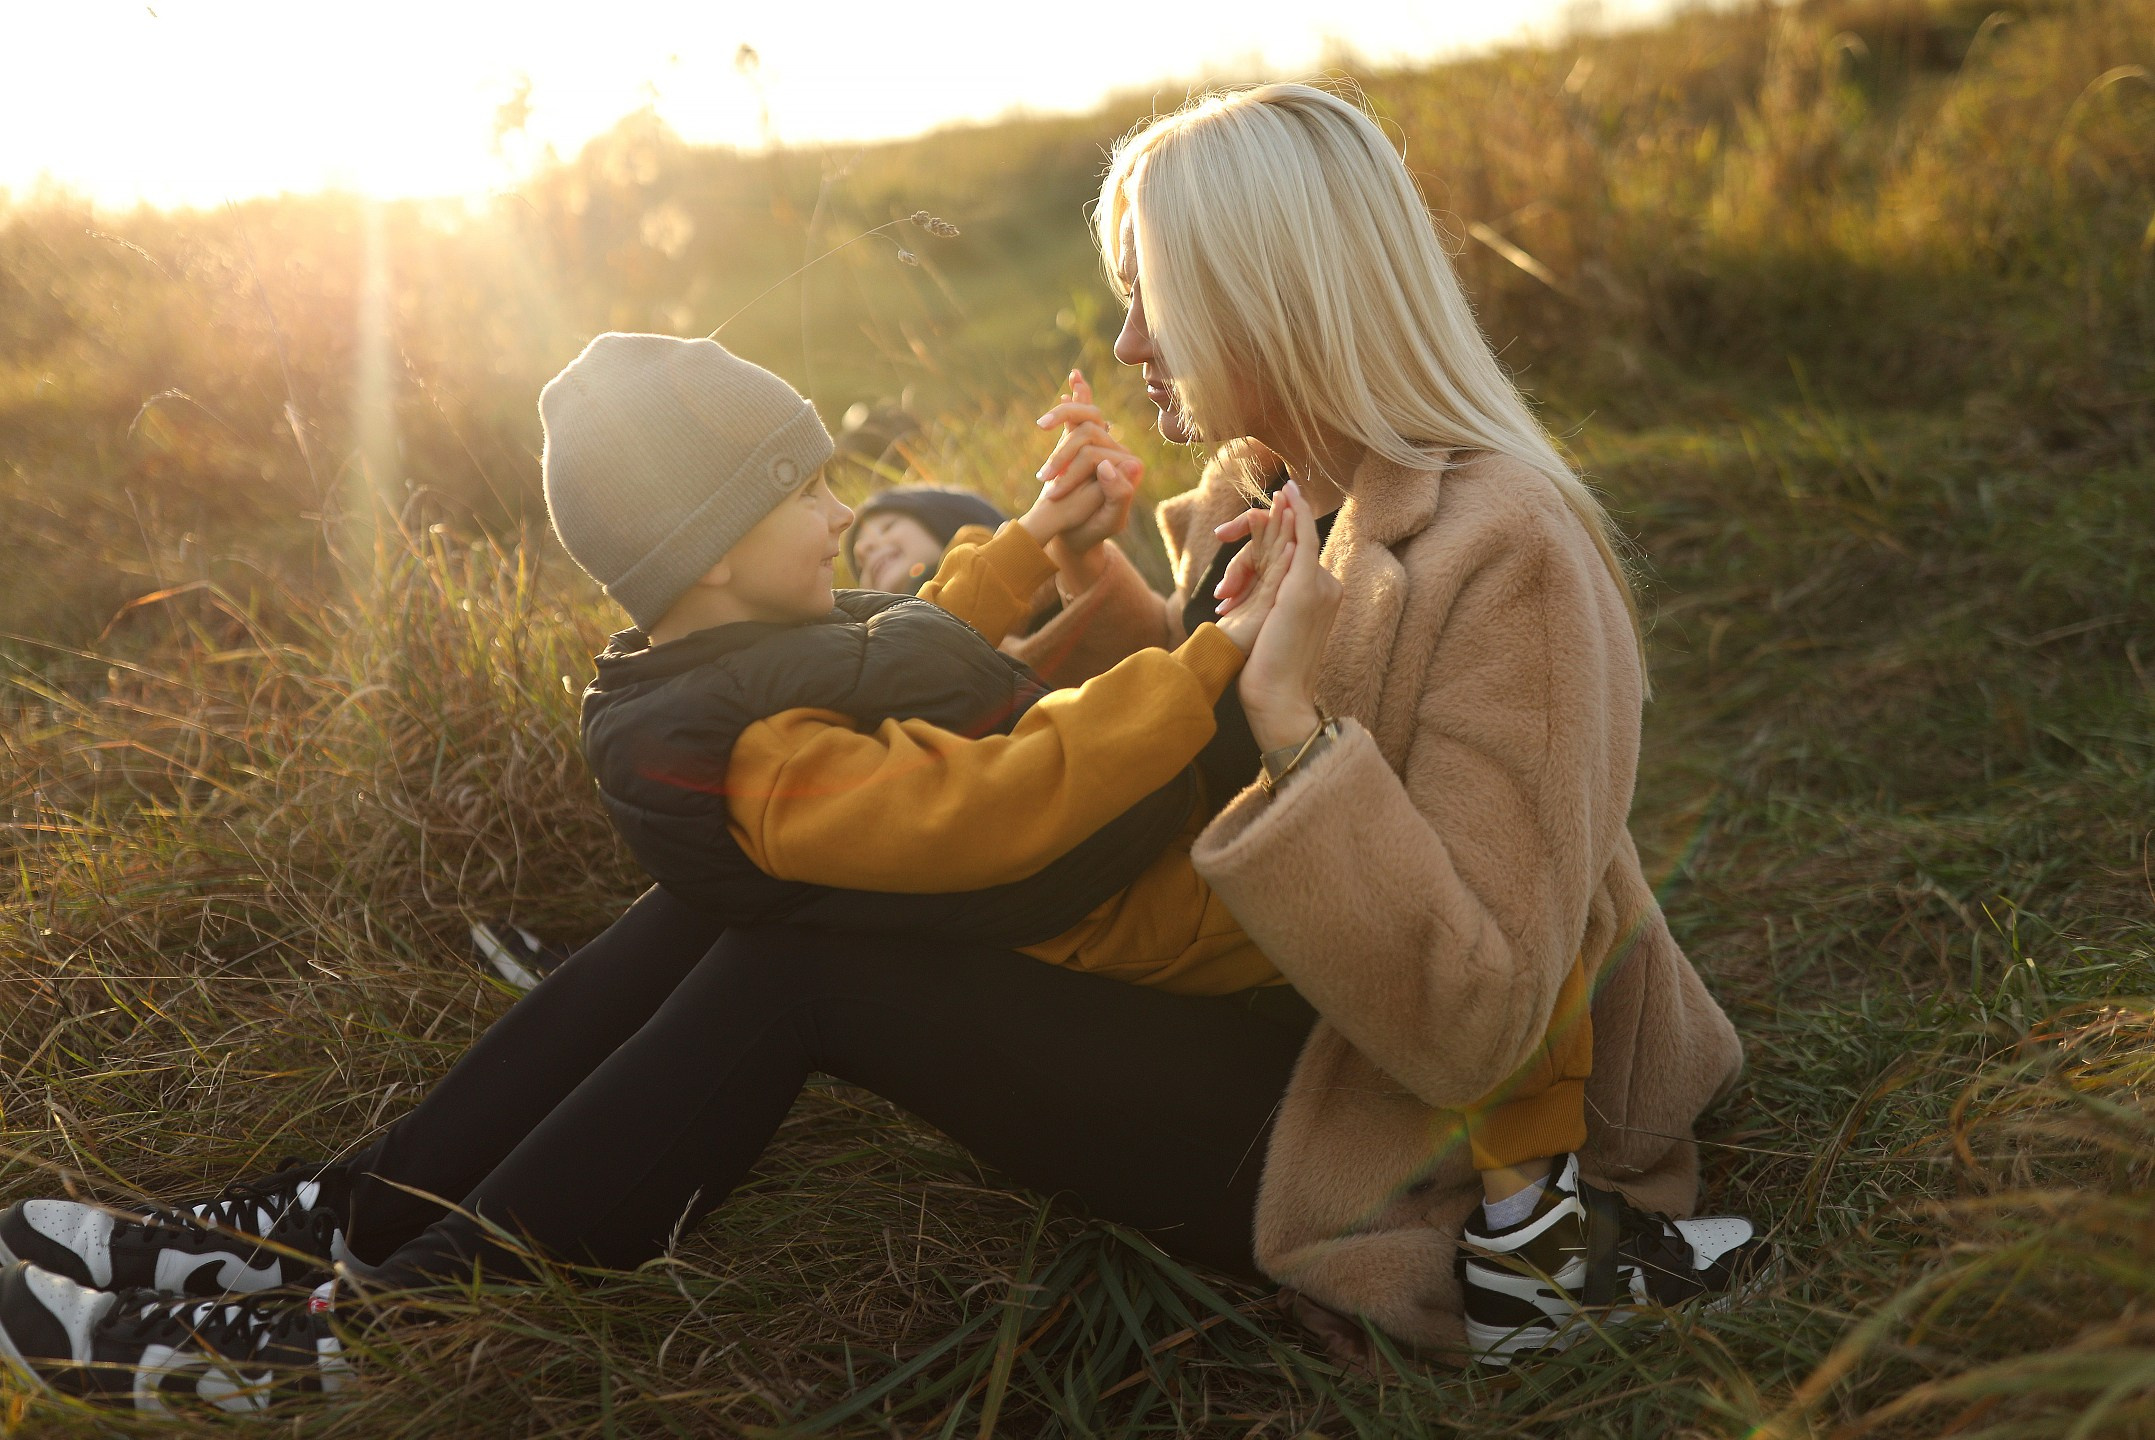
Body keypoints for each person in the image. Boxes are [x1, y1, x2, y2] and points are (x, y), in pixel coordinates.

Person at [0, 84, 1763, 1409]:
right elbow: (1186, 759)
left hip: (1405, 1131)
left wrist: (1295, 736)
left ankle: (349, 1342)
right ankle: (313, 1228)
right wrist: (1101, 586)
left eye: (1155, 299)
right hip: (1252, 1002)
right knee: (781, 883)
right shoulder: (1272, 491)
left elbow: (1479, 1005)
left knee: (817, 967)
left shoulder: (1510, 553)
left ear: (1273, 298)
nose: (1134, 341)